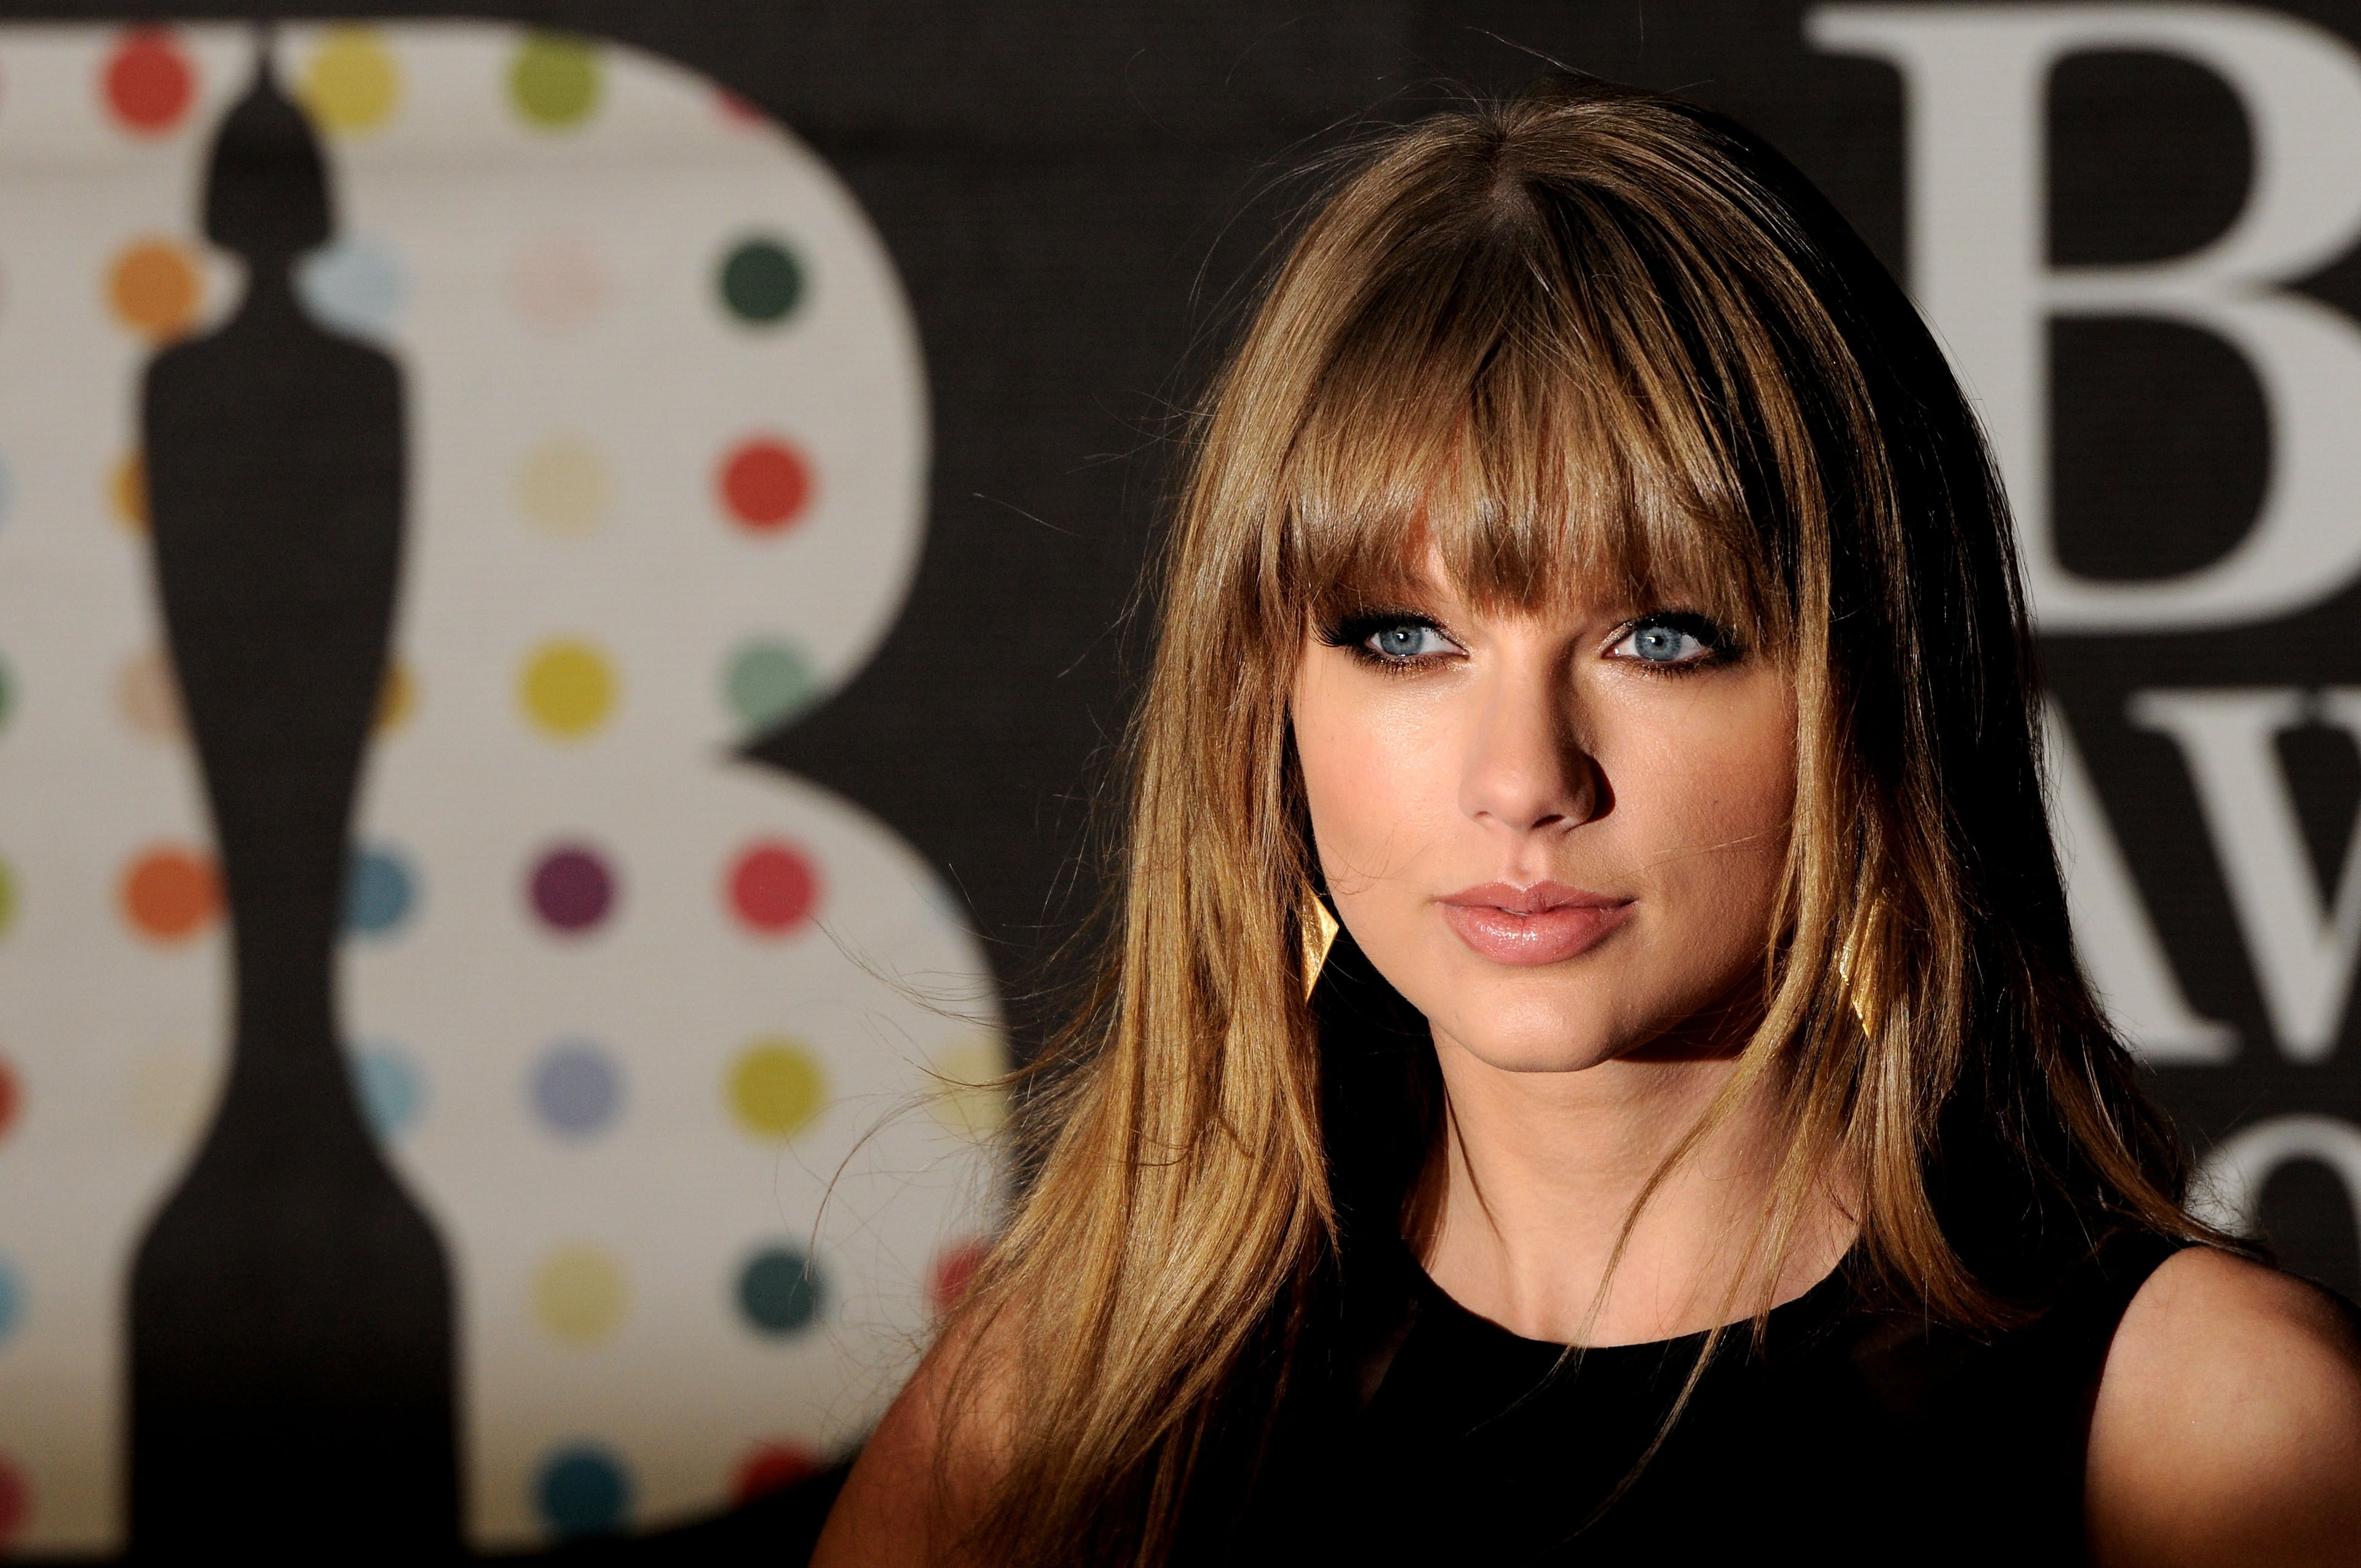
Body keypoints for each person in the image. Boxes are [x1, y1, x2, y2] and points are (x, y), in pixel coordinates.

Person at [813, 75, 2361, 1567]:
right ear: (1260, 702)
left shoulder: (2202, 1431)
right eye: (1403, 638)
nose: (1523, 777)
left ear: (1880, 692)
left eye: (1663, 638)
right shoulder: (1065, 1406)